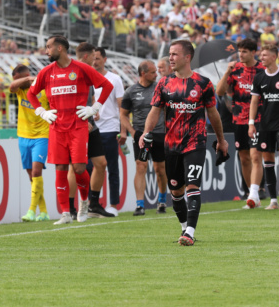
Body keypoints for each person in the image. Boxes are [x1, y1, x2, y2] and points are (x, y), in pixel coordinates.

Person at [139, 40, 228, 246]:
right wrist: (145, 133)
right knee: (176, 192)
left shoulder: (203, 83)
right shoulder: (164, 83)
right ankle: (184, 227)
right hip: (171, 144)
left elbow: (213, 114)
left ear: (187, 57)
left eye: (174, 54)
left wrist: (221, 140)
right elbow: (155, 111)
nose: (170, 58)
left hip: (195, 142)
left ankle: (189, 232)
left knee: (192, 186)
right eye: (169, 54)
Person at [27, 35, 114, 225]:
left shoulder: (82, 68)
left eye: (49, 47)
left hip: (78, 126)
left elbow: (107, 85)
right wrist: (41, 111)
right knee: (60, 168)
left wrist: (95, 108)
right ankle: (65, 213)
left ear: (60, 48)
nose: (46, 50)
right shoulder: (46, 72)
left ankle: (84, 201)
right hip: (57, 126)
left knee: (79, 167)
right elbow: (31, 93)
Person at [248, 44, 279, 210]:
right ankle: (273, 200)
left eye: (264, 55)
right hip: (265, 125)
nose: (261, 58)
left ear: (274, 57)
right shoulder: (259, 78)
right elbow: (254, 101)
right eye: (261, 55)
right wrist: (251, 123)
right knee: (268, 162)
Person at [216, 38, 264, 206]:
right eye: (239, 51)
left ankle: (254, 195)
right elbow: (220, 92)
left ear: (253, 52)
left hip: (258, 119)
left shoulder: (262, 70)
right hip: (238, 120)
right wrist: (227, 73)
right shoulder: (235, 69)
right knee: (244, 158)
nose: (241, 55)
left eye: (244, 51)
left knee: (255, 155)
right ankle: (253, 195)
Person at [121, 60, 169, 215]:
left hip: (160, 133)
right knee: (141, 166)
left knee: (160, 169)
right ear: (143, 73)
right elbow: (122, 115)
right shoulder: (131, 91)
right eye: (153, 72)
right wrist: (132, 132)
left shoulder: (161, 88)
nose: (156, 74)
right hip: (142, 135)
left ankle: (162, 201)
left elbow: (168, 110)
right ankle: (139, 205)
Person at [74, 43, 114, 218]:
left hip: (90, 125)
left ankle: (94, 205)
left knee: (101, 164)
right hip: (76, 126)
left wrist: (92, 112)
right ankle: (70, 209)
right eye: (93, 57)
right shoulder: (73, 73)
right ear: (86, 56)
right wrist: (81, 119)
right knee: (74, 167)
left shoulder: (87, 73)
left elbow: (88, 99)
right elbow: (67, 99)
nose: (95, 60)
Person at [9, 65, 50, 222]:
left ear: (27, 74)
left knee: (36, 172)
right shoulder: (21, 90)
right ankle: (44, 212)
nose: (17, 82)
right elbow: (12, 87)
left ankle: (31, 211)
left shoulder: (45, 91)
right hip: (23, 136)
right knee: (31, 174)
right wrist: (25, 80)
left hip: (42, 135)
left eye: (19, 78)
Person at [92, 47, 126, 217]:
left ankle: (113, 204)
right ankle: (93, 204)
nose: (95, 61)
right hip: (92, 130)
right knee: (91, 168)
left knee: (112, 167)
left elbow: (122, 106)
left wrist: (123, 130)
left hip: (110, 128)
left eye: (98, 58)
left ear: (105, 60)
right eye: (93, 58)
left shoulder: (115, 79)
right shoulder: (88, 78)